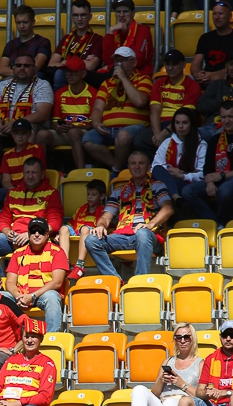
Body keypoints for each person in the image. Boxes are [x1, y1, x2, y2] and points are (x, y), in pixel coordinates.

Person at [85, 150, 173, 279]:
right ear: (129, 167)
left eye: (141, 163)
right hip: (122, 236)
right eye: (133, 163)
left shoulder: (157, 186)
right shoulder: (119, 191)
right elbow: (106, 216)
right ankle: (115, 280)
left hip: (148, 236)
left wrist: (149, 225)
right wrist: (101, 226)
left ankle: (140, 281)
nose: (137, 167)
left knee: (142, 233)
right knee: (91, 240)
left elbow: (168, 208)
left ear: (148, 167)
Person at [128, 322, 203, 406]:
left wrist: (181, 384)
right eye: (179, 337)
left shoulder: (200, 363)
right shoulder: (168, 362)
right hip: (163, 403)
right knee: (138, 390)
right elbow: (155, 393)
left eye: (186, 337)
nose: (182, 341)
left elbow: (201, 394)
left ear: (193, 339)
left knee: (170, 403)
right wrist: (161, 380)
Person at [181, 100, 233, 226]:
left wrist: (221, 175)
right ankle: (215, 224)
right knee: (187, 191)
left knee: (224, 191)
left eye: (230, 117)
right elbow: (208, 167)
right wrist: (210, 183)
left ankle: (223, 222)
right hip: (216, 179)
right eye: (223, 117)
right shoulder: (215, 140)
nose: (226, 121)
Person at [83, 46, 152, 174]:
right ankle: (117, 166)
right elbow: (97, 107)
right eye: (117, 61)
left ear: (134, 63)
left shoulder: (143, 79)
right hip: (108, 130)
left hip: (135, 128)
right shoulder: (107, 83)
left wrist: (124, 79)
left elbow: (140, 102)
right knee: (88, 139)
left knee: (123, 136)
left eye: (123, 60)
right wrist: (96, 123)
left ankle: (115, 171)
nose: (119, 64)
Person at [132, 49, 201, 161]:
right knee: (140, 141)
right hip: (160, 125)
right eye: (167, 64)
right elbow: (154, 111)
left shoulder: (192, 85)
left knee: (172, 140)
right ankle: (158, 162)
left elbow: (186, 115)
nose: (170, 67)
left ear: (183, 65)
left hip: (180, 126)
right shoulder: (159, 83)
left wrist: (164, 133)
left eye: (174, 64)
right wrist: (157, 134)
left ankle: (170, 163)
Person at [0, 157, 62, 258]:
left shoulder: (52, 193)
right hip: (14, 238)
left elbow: (55, 222)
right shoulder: (12, 193)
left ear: (42, 174)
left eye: (34, 172)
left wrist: (31, 234)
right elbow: (4, 218)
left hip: (38, 238)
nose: (30, 176)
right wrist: (7, 231)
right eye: (27, 172)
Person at [7, 218, 68, 332]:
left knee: (52, 297)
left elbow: (57, 282)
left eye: (41, 231)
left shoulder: (57, 252)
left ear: (47, 234)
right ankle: (2, 338)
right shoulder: (18, 253)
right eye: (33, 231)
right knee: (0, 296)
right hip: (21, 295)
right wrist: (18, 296)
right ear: (28, 233)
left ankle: (52, 338)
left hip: (43, 295)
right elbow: (10, 282)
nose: (36, 234)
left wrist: (32, 296)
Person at [36, 57, 92, 170]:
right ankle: (40, 173)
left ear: (83, 74)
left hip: (84, 132)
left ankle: (80, 172)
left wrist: (75, 127)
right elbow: (54, 123)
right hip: (65, 132)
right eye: (66, 71)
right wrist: (59, 127)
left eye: (73, 72)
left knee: (74, 132)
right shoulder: (59, 94)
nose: (69, 75)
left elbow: (94, 124)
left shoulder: (93, 93)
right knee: (42, 135)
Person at [0, 54, 54, 140]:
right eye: (18, 65)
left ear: (34, 68)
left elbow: (42, 114)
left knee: (27, 129)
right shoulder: (2, 85)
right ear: (13, 68)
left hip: (29, 126)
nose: (22, 68)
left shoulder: (42, 85)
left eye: (26, 66)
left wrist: (16, 124)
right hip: (3, 126)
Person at [149, 107, 205, 206]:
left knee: (162, 185)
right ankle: (176, 197)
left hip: (188, 184)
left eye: (185, 123)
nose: (181, 126)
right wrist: (170, 168)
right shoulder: (167, 142)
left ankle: (175, 197)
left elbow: (202, 174)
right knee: (157, 169)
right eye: (177, 123)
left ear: (191, 124)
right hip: (170, 179)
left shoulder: (201, 145)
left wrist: (183, 176)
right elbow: (154, 168)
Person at [49, 0, 104, 87]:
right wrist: (83, 62)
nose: (79, 19)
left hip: (85, 80)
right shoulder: (66, 39)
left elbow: (91, 66)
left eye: (83, 15)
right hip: (66, 77)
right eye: (75, 15)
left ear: (90, 17)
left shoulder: (98, 39)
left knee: (60, 73)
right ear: (71, 17)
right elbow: (51, 64)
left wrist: (64, 62)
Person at [192, 2, 233, 86]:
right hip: (205, 79)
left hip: (227, 79)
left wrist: (211, 76)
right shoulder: (205, 37)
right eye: (214, 14)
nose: (217, 17)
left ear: (230, 16)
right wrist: (197, 74)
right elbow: (195, 63)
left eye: (221, 14)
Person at [61, 179, 106, 281]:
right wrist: (60, 235)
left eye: (93, 195)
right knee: (63, 228)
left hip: (93, 240)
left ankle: (80, 266)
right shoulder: (80, 210)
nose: (89, 197)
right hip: (77, 235)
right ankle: (65, 264)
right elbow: (70, 226)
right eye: (88, 194)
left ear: (102, 196)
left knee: (85, 229)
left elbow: (107, 231)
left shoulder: (104, 212)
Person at [98, 0, 153, 77]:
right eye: (118, 12)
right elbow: (108, 60)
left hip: (138, 76)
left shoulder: (143, 31)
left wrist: (110, 67)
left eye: (125, 11)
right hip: (115, 74)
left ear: (133, 13)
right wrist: (111, 32)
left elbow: (138, 60)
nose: (121, 15)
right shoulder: (114, 32)